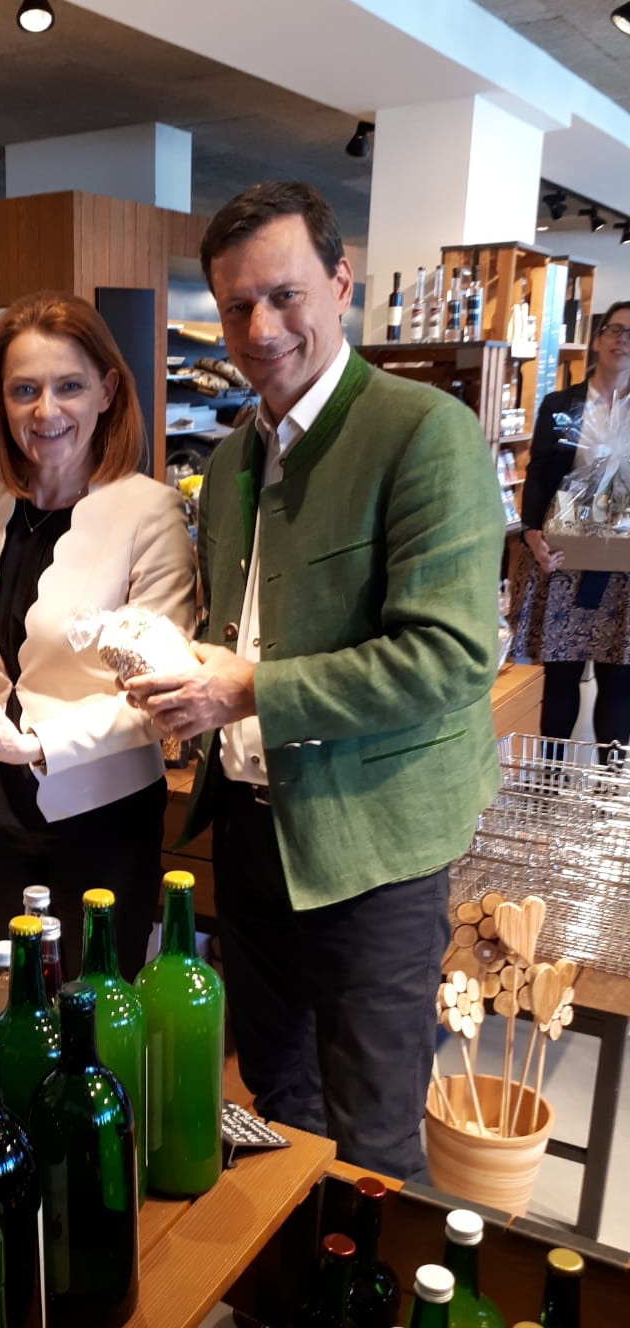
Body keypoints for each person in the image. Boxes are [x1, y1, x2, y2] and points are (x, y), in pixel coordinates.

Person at [125, 182, 504, 1179]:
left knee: (373, 1137)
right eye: (237, 306)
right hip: (251, 839)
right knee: (277, 1105)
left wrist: (248, 690)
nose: (261, 328)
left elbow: (451, 655)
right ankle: (287, 1278)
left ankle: (363, 1282)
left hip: (374, 851)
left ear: (342, 283)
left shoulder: (423, 432)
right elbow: (236, 627)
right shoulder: (230, 460)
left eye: (285, 295)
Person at [0, 291, 195, 976]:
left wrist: (35, 744)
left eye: (69, 386)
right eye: (25, 390)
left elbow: (159, 696)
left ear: (107, 391)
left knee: (93, 1009)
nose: (46, 411)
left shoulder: (149, 513)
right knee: (10, 995)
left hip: (103, 816)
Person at [509, 299, 630, 749]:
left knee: (620, 681)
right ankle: (551, 778)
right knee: (560, 678)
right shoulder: (562, 405)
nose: (622, 340)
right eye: (615, 330)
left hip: (624, 564)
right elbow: (540, 471)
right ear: (598, 339)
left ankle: (608, 784)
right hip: (565, 555)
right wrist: (531, 532)